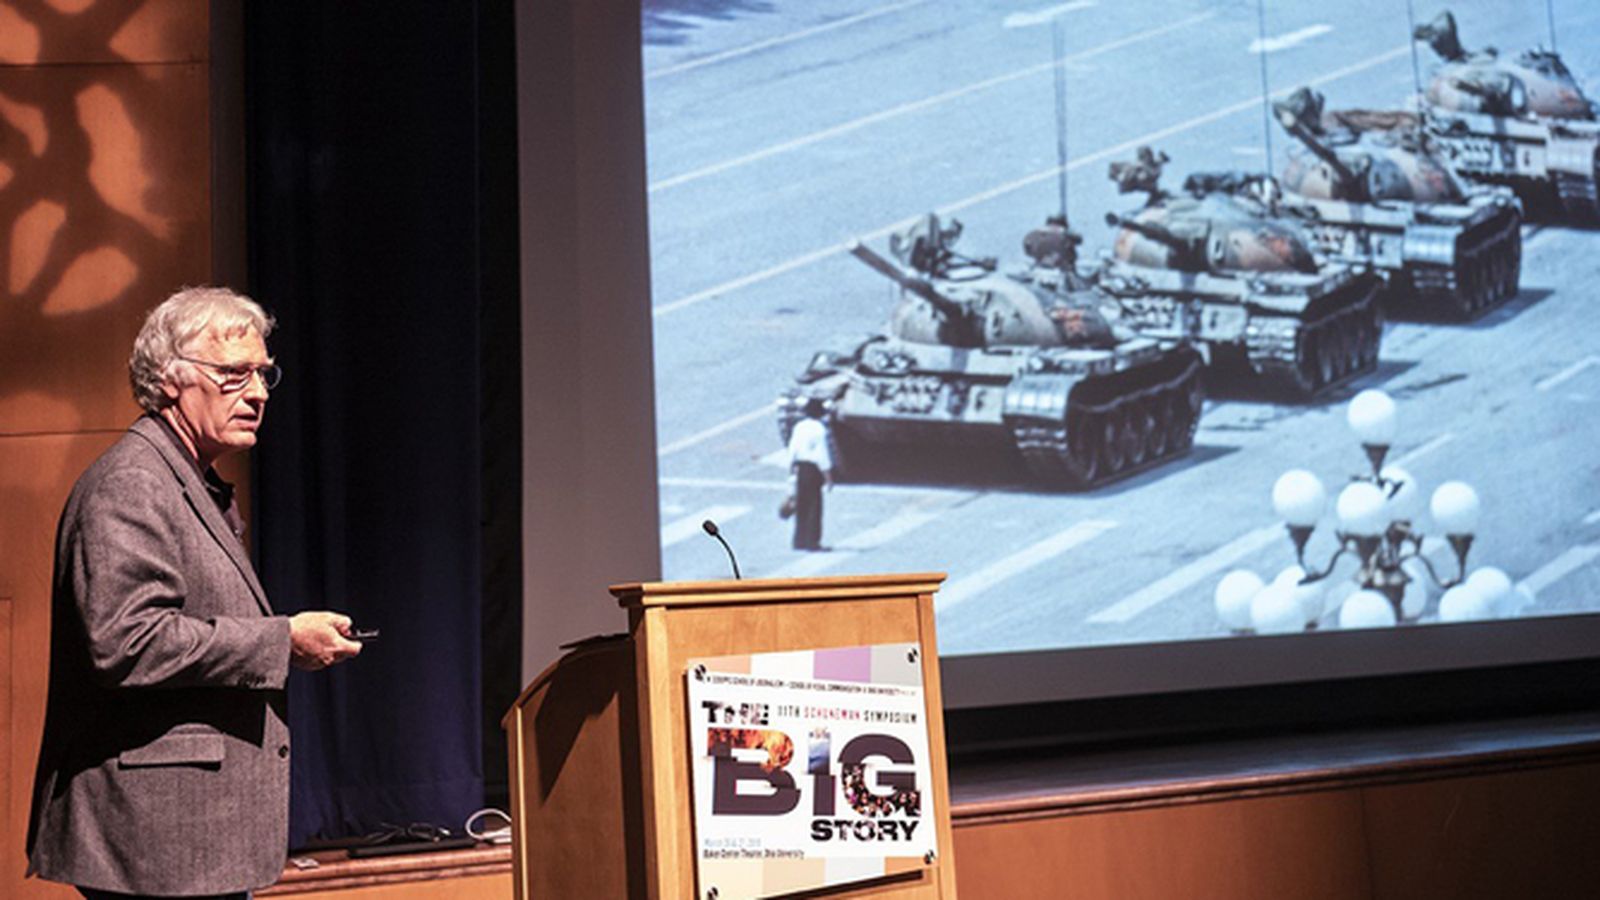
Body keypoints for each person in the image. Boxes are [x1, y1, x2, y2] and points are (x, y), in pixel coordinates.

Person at [26, 287, 363, 899]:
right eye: (234, 374)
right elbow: (127, 641)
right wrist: (281, 641)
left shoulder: (186, 479)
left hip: (183, 834)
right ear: (170, 379)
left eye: (263, 374)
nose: (258, 393)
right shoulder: (132, 484)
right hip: (154, 834)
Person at [786, 398, 834, 551]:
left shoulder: (799, 427)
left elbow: (792, 449)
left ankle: (799, 540)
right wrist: (828, 477)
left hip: (800, 467)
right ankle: (812, 542)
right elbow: (822, 455)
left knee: (802, 505)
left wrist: (791, 469)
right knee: (814, 506)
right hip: (814, 470)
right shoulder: (819, 429)